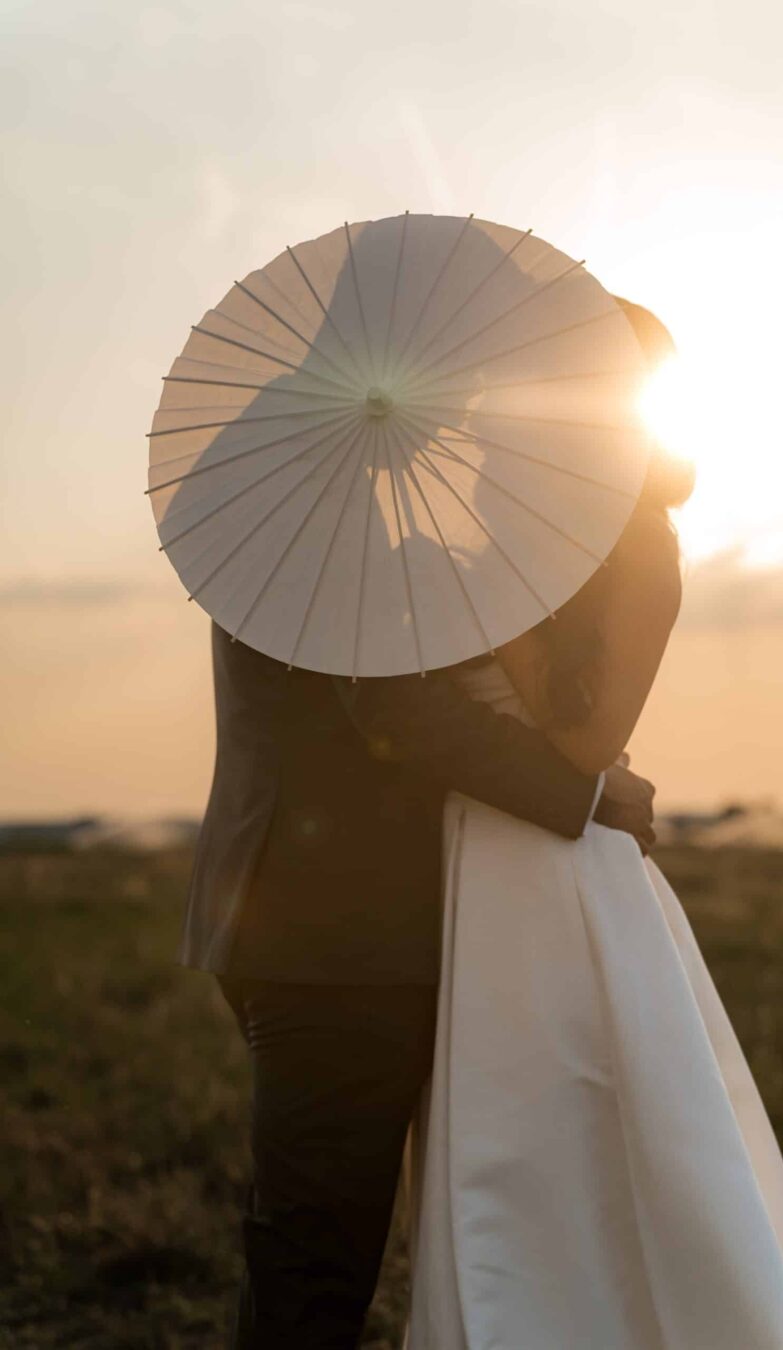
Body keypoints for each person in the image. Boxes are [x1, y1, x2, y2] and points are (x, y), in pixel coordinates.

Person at [178, 316, 656, 1346]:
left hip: (309, 917)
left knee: (322, 1237)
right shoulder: (333, 504)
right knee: (316, 1253)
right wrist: (591, 797)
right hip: (336, 934)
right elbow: (402, 711)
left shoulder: (298, 474)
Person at [401, 312, 783, 1348]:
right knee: (487, 1148)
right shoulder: (492, 529)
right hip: (467, 867)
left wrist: (499, 606)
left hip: (560, 875)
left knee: (586, 1136)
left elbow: (588, 739)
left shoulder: (644, 546)